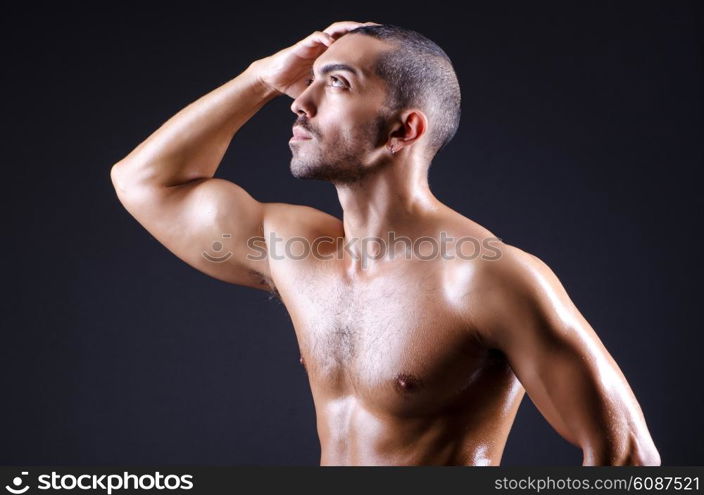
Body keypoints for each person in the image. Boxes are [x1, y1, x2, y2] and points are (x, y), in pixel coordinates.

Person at [110, 21, 660, 466]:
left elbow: (630, 461)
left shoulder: (486, 277)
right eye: (309, 81)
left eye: (338, 83)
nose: (300, 101)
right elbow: (145, 182)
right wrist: (259, 77)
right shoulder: (297, 251)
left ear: (403, 131)